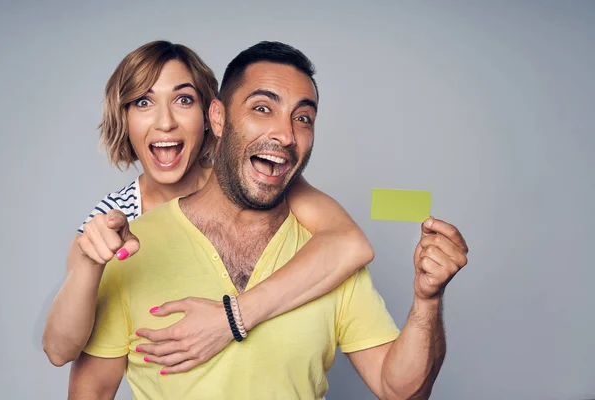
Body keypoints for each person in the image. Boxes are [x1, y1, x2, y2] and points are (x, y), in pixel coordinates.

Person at [68, 41, 469, 400]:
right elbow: (88, 387)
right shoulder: (131, 245)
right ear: (219, 119)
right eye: (263, 108)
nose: (286, 134)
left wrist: (427, 301)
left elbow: (401, 391)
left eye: (303, 118)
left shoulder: (327, 259)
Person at [42, 41, 375, 368]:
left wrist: (234, 318)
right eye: (143, 102)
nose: (165, 122)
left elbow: (349, 243)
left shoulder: (252, 179)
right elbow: (60, 351)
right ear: (124, 119)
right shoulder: (112, 220)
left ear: (211, 115)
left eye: (183, 100)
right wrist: (89, 263)